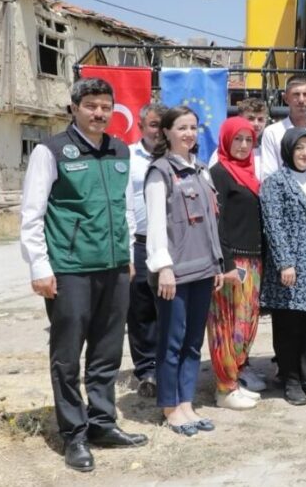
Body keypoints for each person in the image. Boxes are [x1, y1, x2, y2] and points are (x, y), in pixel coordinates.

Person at [20, 78, 147, 471]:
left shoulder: (119, 149)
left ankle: (102, 423)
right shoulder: (51, 151)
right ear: (74, 107)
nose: (99, 113)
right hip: (70, 269)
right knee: (67, 356)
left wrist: (126, 256)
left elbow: (125, 208)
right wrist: (40, 267)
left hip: (113, 268)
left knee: (107, 352)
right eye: (91, 105)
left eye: (105, 106)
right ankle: (73, 434)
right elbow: (32, 214)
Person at [144, 106, 224, 436]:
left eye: (193, 128)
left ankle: (187, 402)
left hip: (204, 268)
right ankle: (169, 406)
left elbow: (211, 224)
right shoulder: (159, 172)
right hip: (174, 273)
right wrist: (163, 267)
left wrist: (218, 263)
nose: (189, 134)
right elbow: (156, 225)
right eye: (181, 128)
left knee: (193, 342)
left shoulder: (202, 170)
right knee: (172, 341)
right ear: (165, 132)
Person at [259, 129, 306, 406]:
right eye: (299, 147)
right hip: (291, 267)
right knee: (288, 326)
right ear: (288, 149)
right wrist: (285, 262)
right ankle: (289, 379)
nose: (305, 153)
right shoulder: (276, 182)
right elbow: (273, 225)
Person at [207, 117, 265, 411]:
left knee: (246, 323)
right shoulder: (219, 173)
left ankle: (236, 377)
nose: (243, 145)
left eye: (248, 140)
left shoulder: (250, 173)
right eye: (237, 139)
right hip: (232, 262)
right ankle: (224, 388)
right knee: (226, 325)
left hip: (253, 260)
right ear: (226, 140)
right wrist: (226, 263)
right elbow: (216, 222)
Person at [127, 102, 164, 399]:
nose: (159, 131)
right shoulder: (127, 156)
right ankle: (146, 369)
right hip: (139, 243)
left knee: (170, 308)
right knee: (140, 311)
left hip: (172, 246)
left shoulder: (180, 158)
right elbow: (123, 203)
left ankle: (167, 364)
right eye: (153, 125)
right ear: (141, 126)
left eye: (164, 126)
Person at [207, 97, 268, 176]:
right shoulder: (222, 153)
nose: (256, 124)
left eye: (260, 119)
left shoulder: (266, 152)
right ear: (240, 118)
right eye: (251, 118)